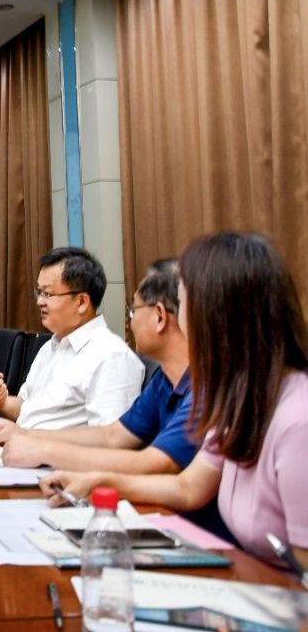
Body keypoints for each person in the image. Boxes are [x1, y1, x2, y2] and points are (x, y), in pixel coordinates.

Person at [40, 233, 308, 567]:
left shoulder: (297, 421)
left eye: (184, 307)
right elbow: (188, 488)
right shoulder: (241, 396)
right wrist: (103, 482)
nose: (180, 322)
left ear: (217, 319)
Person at [0, 260, 229, 538]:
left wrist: (43, 450)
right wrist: (28, 436)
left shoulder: (207, 387)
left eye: (133, 310)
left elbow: (156, 463)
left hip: (194, 533)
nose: (129, 321)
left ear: (160, 316)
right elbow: (114, 435)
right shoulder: (164, 379)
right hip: (158, 516)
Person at [0, 247, 143, 429]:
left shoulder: (112, 357)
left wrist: (28, 439)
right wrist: (2, 402)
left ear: (82, 302)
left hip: (41, 447)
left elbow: (110, 439)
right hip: (23, 443)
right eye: (39, 292)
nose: (39, 301)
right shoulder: (50, 346)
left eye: (48, 294)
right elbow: (27, 409)